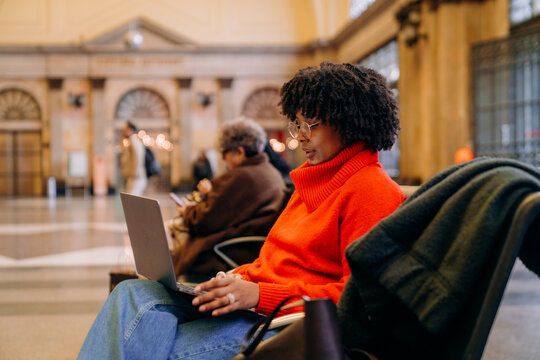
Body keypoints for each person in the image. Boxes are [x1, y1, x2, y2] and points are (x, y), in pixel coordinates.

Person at [77, 61, 403, 360]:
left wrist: (258, 294)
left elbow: (358, 302)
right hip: (252, 304)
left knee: (139, 344)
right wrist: (235, 279)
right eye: (297, 125)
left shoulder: (371, 191)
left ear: (351, 124)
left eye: (312, 125)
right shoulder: (314, 180)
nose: (300, 138)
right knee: (132, 293)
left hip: (286, 321)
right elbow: (272, 262)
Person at [170, 118, 290, 275]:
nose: (222, 159)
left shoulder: (241, 176)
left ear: (240, 152)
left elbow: (204, 221)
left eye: (224, 153)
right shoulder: (269, 171)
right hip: (254, 248)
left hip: (228, 253)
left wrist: (187, 212)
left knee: (175, 236)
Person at [120, 121, 147, 196]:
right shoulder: (131, 141)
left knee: (132, 201)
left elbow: (137, 158)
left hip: (136, 177)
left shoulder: (134, 141)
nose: (123, 131)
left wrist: (134, 174)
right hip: (134, 176)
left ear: (130, 130)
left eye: (125, 129)